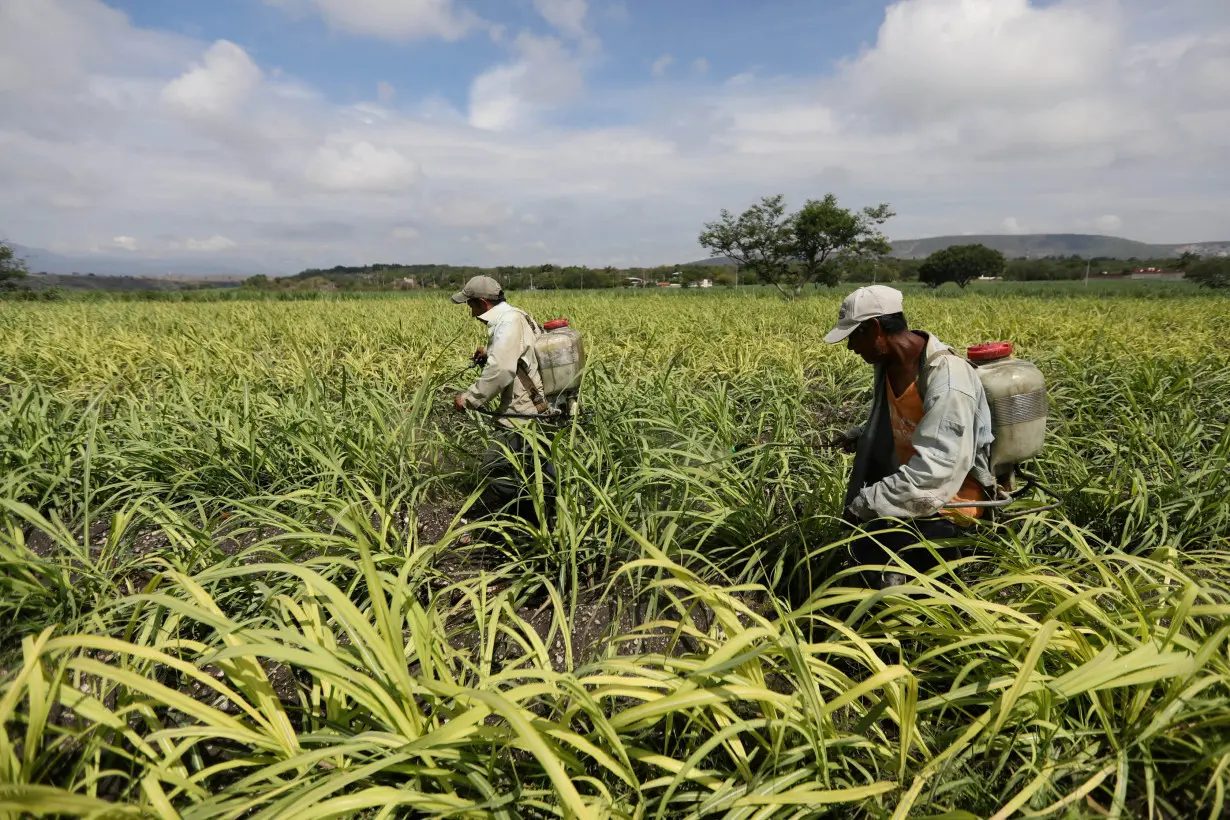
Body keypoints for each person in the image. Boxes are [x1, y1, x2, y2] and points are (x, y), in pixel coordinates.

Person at [824, 285, 995, 588]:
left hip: (951, 500)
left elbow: (936, 471)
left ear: (875, 328)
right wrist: (864, 434)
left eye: (854, 336)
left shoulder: (949, 381)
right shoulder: (891, 365)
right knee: (865, 550)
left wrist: (865, 503)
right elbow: (914, 421)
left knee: (876, 557)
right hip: (912, 489)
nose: (851, 347)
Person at [450, 275, 555, 525]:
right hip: (537, 405)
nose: (471, 312)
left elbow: (501, 371)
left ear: (483, 303)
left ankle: (494, 525)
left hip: (523, 410)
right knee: (537, 467)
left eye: (471, 305)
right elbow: (522, 352)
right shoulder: (517, 315)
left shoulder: (508, 322)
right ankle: (543, 519)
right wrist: (490, 353)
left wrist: (469, 399)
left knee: (496, 469)